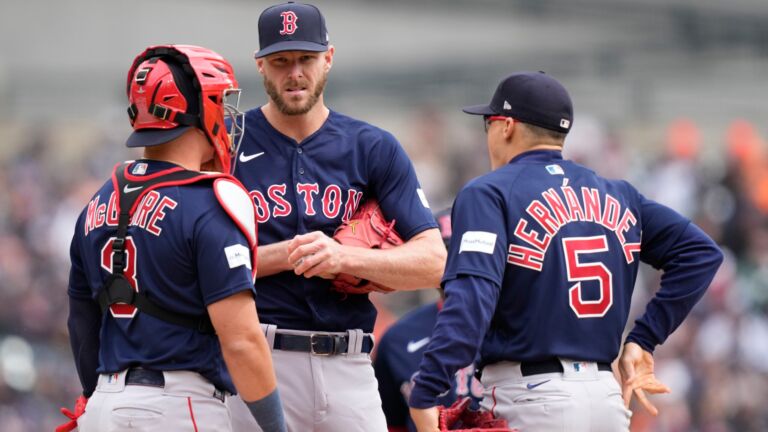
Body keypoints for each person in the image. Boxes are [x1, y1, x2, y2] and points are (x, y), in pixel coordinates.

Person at [407, 71, 724, 432]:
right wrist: (644, 339)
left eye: (488, 124)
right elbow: (700, 253)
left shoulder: (489, 192)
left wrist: (427, 390)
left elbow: (471, 298)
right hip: (606, 400)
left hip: (530, 397)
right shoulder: (617, 192)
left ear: (506, 126)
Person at [226, 2, 447, 431]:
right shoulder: (227, 146)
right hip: (257, 358)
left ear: (328, 58)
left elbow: (435, 262)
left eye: (306, 59)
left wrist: (346, 259)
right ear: (260, 66)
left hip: (349, 365)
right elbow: (195, 268)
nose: (295, 73)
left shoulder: (372, 147)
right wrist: (289, 255)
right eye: (280, 61)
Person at [62, 45, 286, 432]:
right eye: (219, 101)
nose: (227, 113)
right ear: (197, 111)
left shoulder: (98, 200)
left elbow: (82, 325)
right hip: (179, 407)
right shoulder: (209, 200)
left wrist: (95, 396)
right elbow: (242, 342)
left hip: (102, 407)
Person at [374, 209, 484, 432]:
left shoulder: (521, 325)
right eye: (445, 254)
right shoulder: (398, 339)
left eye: (464, 254)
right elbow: (390, 425)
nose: (455, 266)